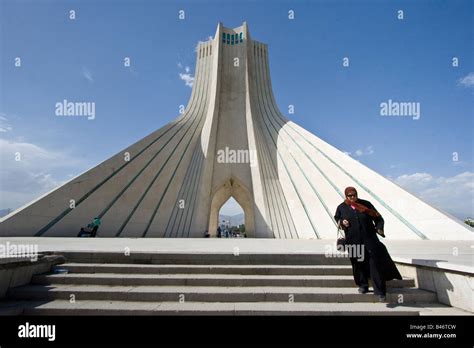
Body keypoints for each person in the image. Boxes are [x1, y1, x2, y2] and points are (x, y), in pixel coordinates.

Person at [334, 186, 402, 302]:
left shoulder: (366, 204)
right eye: (350, 195)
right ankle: (363, 285)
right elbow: (337, 219)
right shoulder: (341, 207)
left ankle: (380, 291)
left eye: (354, 194)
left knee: (374, 264)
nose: (353, 197)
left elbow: (378, 218)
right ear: (346, 196)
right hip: (353, 241)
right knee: (358, 264)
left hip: (370, 240)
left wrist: (379, 228)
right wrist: (342, 222)